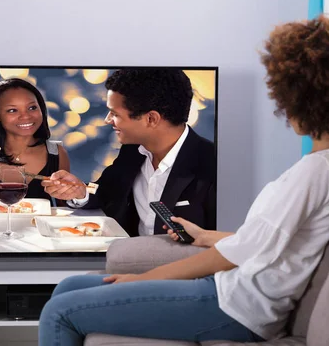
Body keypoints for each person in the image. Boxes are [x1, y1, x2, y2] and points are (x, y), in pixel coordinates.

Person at [37, 15, 329, 346]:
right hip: (231, 290)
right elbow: (272, 243)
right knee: (68, 289)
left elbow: (238, 255)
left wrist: (139, 279)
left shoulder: (318, 171)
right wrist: (205, 235)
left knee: (60, 312)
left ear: (302, 98)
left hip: (237, 307)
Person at [42, 68, 217, 236]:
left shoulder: (212, 165)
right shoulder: (133, 150)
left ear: (151, 119)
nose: (107, 120)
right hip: (126, 257)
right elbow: (105, 190)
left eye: (114, 114)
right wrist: (81, 191)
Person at [0, 78, 71, 202]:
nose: (26, 116)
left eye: (32, 108)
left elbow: (64, 210)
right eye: (12, 110)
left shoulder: (57, 153)